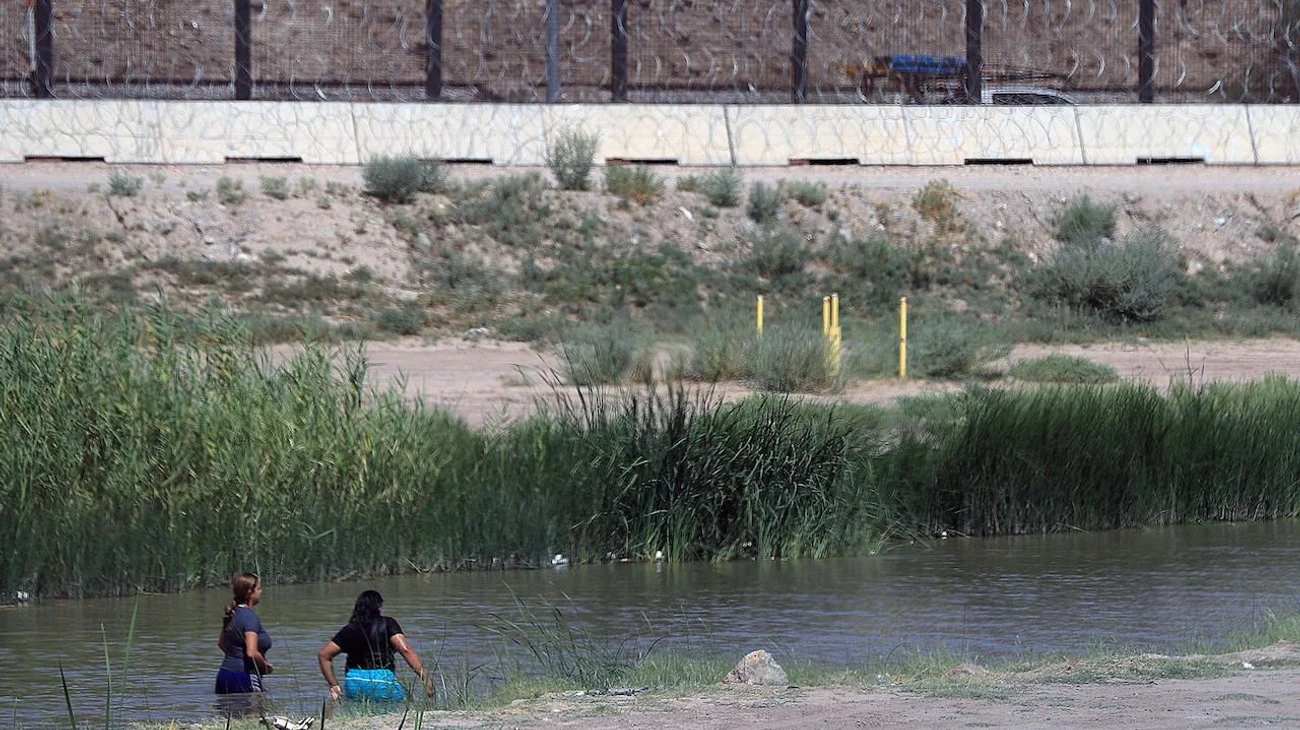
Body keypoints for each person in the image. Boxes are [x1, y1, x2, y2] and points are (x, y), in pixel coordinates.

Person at [317, 589, 434, 704]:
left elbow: (324, 655)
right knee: (409, 702)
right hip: (382, 680)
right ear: (378, 607)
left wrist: (334, 685)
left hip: (354, 682)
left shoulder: (349, 629)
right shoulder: (388, 624)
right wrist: (425, 678)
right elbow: (405, 649)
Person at [215, 572, 274, 695]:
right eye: (258, 588)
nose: (261, 592)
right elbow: (251, 653)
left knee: (229, 714)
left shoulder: (232, 614)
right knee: (253, 713)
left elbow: (222, 644)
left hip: (224, 676)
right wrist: (265, 665)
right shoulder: (250, 617)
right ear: (249, 593)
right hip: (245, 676)